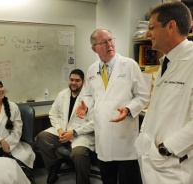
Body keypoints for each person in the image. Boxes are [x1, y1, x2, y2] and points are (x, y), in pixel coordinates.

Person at [76, 29, 149, 184]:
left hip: (125, 136)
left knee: (128, 180)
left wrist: (128, 109)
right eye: (103, 42)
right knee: (107, 179)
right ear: (94, 48)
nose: (109, 44)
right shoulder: (92, 70)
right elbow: (88, 95)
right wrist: (86, 105)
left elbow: (142, 96)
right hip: (103, 137)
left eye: (111, 39)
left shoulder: (129, 65)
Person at [134, 2, 193, 184]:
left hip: (172, 165)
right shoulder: (166, 62)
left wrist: (166, 149)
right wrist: (143, 139)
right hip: (152, 159)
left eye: (151, 27)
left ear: (171, 26)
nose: (147, 33)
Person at [37, 69, 95, 184]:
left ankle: (83, 181)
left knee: (79, 153)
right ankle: (54, 166)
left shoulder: (90, 98)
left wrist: (73, 132)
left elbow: (94, 122)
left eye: (77, 80)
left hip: (81, 135)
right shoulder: (62, 94)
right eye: (71, 80)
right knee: (42, 137)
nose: (73, 83)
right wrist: (59, 129)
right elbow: (53, 113)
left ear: (83, 82)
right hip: (63, 131)